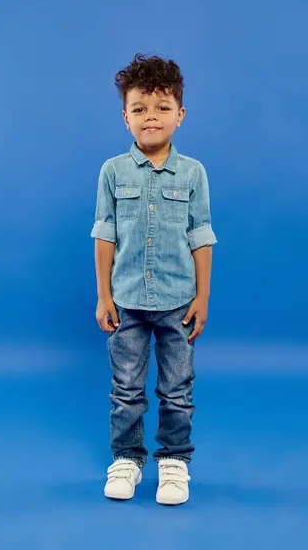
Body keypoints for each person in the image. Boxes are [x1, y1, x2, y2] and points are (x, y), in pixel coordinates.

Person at [91, 53, 217, 505]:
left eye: (162, 108)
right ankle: (126, 458)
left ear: (179, 115)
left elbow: (201, 236)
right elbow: (105, 234)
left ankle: (174, 462)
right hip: (126, 301)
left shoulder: (193, 173)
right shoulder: (112, 172)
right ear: (125, 117)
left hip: (178, 303)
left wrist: (202, 296)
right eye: (140, 108)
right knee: (125, 388)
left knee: (176, 389)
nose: (151, 117)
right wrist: (104, 295)